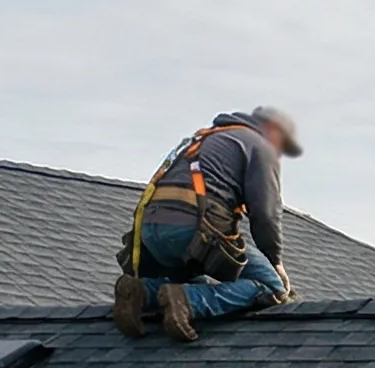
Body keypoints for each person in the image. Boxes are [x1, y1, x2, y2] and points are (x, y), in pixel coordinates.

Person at [113, 107, 299, 341]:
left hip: (150, 234)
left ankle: (142, 292)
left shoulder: (202, 139)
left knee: (191, 282)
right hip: (190, 232)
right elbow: (266, 212)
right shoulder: (259, 146)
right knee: (273, 288)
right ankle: (189, 301)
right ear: (272, 129)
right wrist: (275, 260)